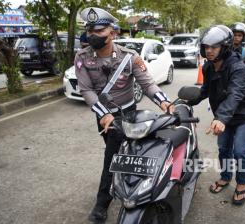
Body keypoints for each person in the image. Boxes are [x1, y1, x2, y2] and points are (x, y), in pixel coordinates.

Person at [75, 7, 174, 224]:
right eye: (89, 30)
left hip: (128, 115)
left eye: (98, 31)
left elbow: (148, 84)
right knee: (120, 154)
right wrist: (103, 115)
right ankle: (123, 187)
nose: (92, 35)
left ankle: (102, 205)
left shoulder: (130, 58)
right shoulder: (82, 57)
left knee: (114, 158)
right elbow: (86, 90)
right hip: (104, 117)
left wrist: (164, 101)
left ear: (113, 33)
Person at [188, 25, 245, 205]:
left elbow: (235, 95)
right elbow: (205, 90)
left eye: (214, 47)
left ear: (224, 47)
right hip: (224, 115)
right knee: (224, 149)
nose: (209, 51)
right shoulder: (208, 67)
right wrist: (186, 101)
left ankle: (242, 184)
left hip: (244, 114)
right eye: (206, 47)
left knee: (240, 150)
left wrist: (220, 118)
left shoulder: (239, 69)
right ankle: (226, 177)